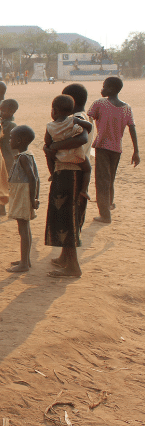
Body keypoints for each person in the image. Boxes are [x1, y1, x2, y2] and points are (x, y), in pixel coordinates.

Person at [44, 85, 91, 278]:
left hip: (70, 174)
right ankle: (66, 258)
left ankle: (73, 265)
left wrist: (54, 147)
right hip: (67, 172)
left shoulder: (77, 121)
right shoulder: (76, 120)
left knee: (69, 218)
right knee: (64, 217)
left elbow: (82, 139)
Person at [87, 76, 140, 223]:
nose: (102, 89)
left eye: (104, 86)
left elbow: (88, 118)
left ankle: (105, 215)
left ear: (110, 88)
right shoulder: (126, 108)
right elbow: (132, 128)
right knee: (110, 179)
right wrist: (136, 151)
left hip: (102, 146)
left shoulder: (99, 103)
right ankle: (109, 204)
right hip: (117, 149)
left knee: (102, 181)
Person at [44, 95, 93, 201]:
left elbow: (47, 142)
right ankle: (84, 190)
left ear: (54, 111)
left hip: (59, 156)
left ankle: (52, 174)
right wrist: (87, 128)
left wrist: (51, 146)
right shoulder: (74, 120)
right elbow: (89, 126)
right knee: (88, 169)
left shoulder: (50, 126)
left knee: (47, 154)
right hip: (76, 154)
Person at [6, 125, 40, 273]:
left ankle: (24, 263)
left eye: (11, 137)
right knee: (25, 228)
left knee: (23, 229)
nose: (9, 140)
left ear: (19, 141)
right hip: (23, 193)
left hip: (23, 194)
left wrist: (33, 199)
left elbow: (32, 179)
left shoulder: (24, 157)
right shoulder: (26, 155)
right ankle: (25, 259)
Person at [0, 99, 19, 177]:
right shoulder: (4, 121)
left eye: (3, 111)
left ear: (12, 112)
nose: (0, 113)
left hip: (8, 157)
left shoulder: (10, 125)